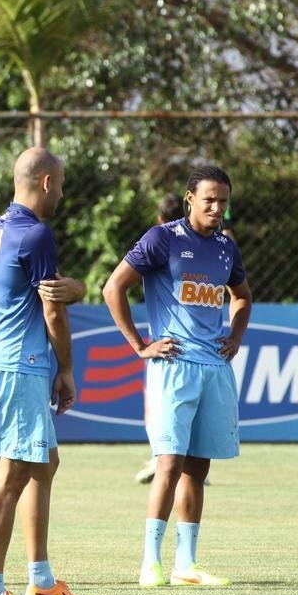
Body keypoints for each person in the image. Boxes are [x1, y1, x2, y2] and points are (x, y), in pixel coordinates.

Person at [101, 165, 252, 588]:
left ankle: (187, 564)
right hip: (173, 368)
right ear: (190, 199)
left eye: (223, 200)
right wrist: (139, 344)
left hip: (214, 368)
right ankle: (150, 562)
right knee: (167, 464)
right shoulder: (163, 239)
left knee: (197, 469)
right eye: (209, 199)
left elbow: (242, 296)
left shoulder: (226, 247)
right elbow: (114, 288)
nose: (217, 207)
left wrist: (235, 335)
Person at [0, 147, 90, 595]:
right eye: (59, 184)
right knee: (13, 473)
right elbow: (53, 308)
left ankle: (41, 582)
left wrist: (75, 287)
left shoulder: (6, 225)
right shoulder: (37, 233)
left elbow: (58, 288)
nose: (61, 192)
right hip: (19, 361)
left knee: (44, 463)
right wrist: (66, 369)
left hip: (3, 357)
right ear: (45, 183)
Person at [134, 193, 185, 484]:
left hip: (163, 344)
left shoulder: (159, 243)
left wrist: (141, 347)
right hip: (199, 344)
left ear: (160, 220)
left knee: (154, 405)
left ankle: (159, 458)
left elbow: (116, 285)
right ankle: (185, 464)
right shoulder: (206, 245)